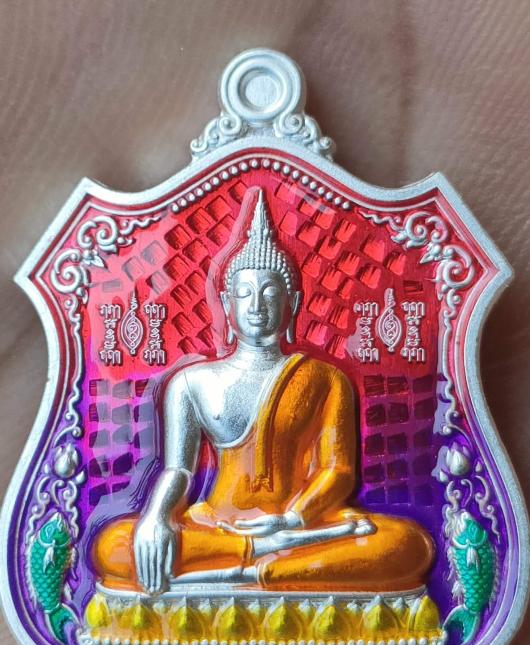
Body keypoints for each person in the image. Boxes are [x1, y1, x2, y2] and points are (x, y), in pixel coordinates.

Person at [93, 189, 434, 594]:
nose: (257, 305)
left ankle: (250, 572)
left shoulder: (324, 378)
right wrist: (156, 515)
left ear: (293, 302)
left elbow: (338, 472)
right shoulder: (191, 382)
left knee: (405, 545)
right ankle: (258, 557)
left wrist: (292, 519)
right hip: (216, 525)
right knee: (116, 546)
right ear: (226, 302)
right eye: (245, 293)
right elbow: (178, 470)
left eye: (270, 293)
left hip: (301, 528)